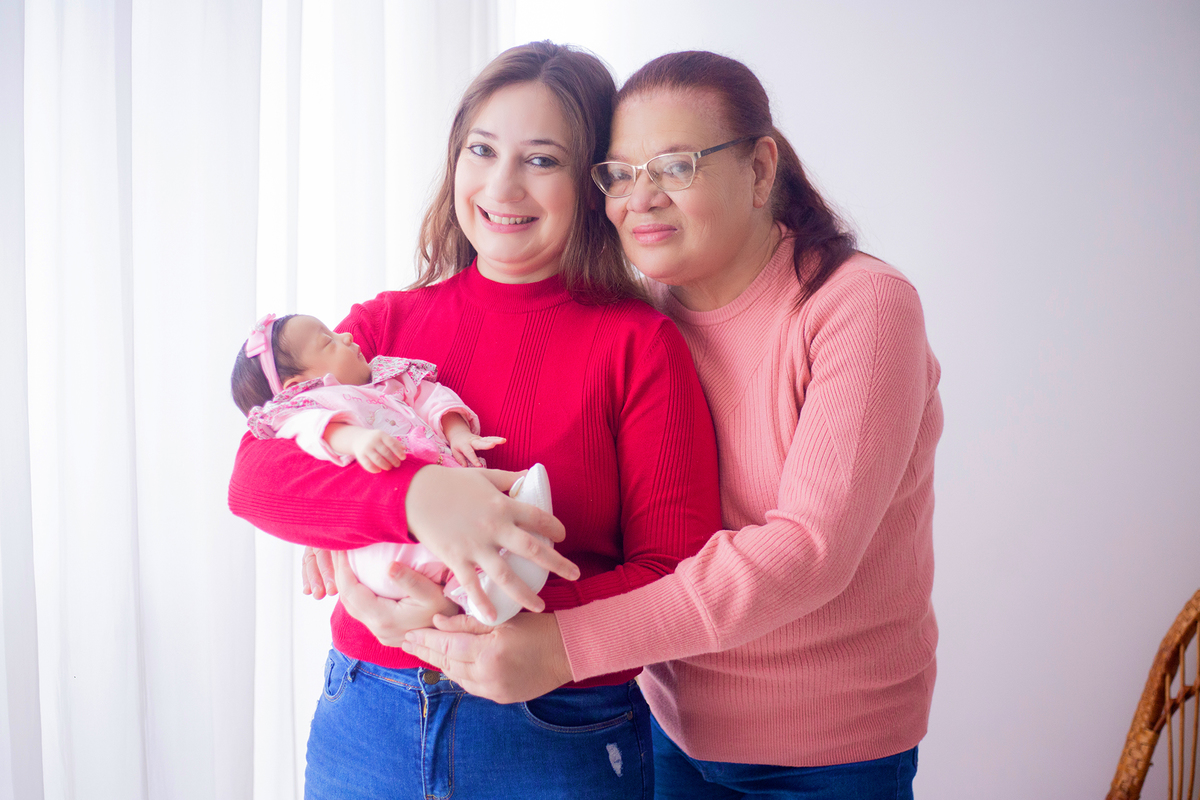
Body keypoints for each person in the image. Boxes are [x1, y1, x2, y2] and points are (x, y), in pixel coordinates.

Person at [383, 50, 943, 799]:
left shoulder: (859, 306)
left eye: (675, 166)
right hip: (664, 722)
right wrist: (378, 534)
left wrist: (563, 646)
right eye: (619, 173)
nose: (639, 199)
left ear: (760, 167)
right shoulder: (645, 315)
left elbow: (809, 551)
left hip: (827, 749)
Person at [227, 42, 721, 800]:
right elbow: (256, 474)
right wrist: (414, 500)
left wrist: (488, 614)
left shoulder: (640, 345)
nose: (501, 185)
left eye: (543, 160)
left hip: (555, 729)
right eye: (481, 150)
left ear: (593, 184)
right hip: (366, 719)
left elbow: (675, 575)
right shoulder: (383, 328)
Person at [230, 311, 549, 625]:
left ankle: (501, 553)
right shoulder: (312, 407)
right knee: (415, 553)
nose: (346, 335)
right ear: (300, 386)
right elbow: (315, 429)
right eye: (328, 342)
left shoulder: (387, 380)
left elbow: (431, 396)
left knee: (476, 506)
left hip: (446, 483)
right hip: (383, 537)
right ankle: (475, 590)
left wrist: (457, 432)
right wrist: (356, 440)